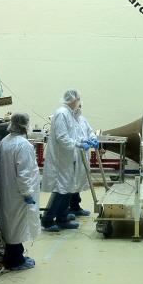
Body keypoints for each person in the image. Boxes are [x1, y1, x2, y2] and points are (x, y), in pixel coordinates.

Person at [40, 89, 95, 231]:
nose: (79, 103)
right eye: (78, 100)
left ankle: (62, 218)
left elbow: (77, 134)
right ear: (73, 100)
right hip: (61, 159)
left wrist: (88, 140)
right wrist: (78, 144)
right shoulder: (61, 114)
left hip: (70, 158)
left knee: (68, 188)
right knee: (61, 190)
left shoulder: (71, 115)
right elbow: (62, 138)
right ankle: (47, 220)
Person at [0, 113, 41, 271]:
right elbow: (24, 173)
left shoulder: (5, 141)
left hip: (7, 190)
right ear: (25, 125)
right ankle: (15, 261)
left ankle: (15, 255)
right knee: (17, 226)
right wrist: (28, 193)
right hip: (19, 193)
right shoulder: (23, 145)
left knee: (11, 225)